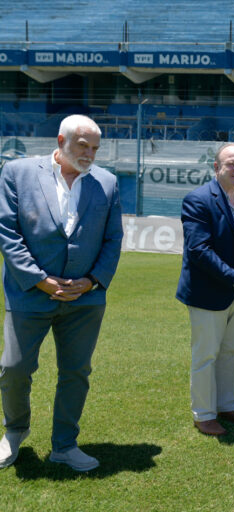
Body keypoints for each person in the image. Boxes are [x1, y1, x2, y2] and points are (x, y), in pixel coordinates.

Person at [0, 114, 122, 471]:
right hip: (30, 294)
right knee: (14, 368)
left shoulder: (108, 183)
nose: (89, 154)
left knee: (76, 372)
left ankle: (65, 445)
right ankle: (14, 432)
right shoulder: (17, 172)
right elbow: (7, 231)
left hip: (85, 299)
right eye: (83, 145)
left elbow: (114, 239)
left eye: (95, 148)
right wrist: (39, 280)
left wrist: (93, 280)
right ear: (60, 141)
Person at [176, 143, 234, 436]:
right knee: (206, 355)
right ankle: (204, 414)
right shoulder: (199, 199)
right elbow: (199, 250)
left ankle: (226, 406)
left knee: (230, 352)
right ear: (216, 167)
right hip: (209, 292)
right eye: (231, 164)